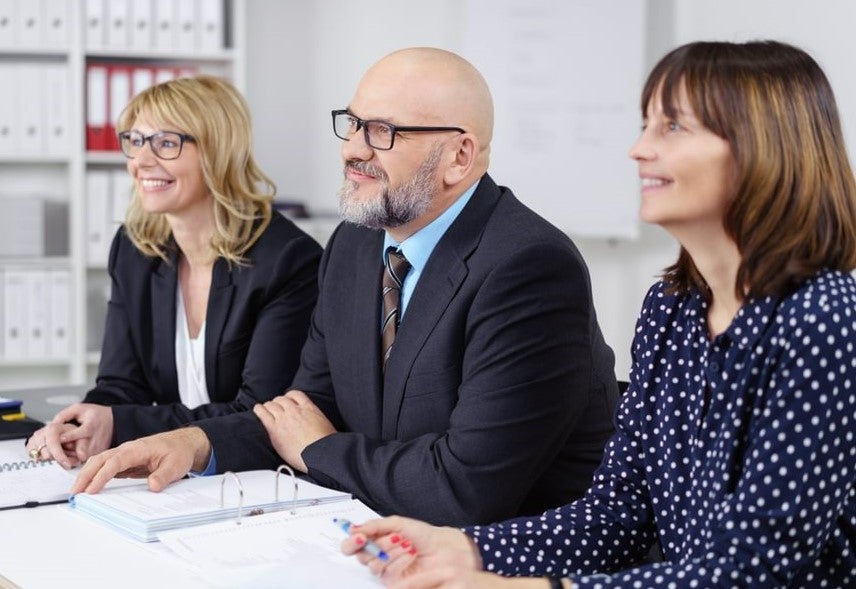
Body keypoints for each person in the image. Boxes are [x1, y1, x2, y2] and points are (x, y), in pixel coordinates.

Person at [340, 40, 856, 588]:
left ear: (764, 149)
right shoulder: (672, 310)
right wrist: (464, 548)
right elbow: (617, 514)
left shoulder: (825, 321)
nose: (637, 149)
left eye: (672, 128)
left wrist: (534, 588)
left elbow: (753, 570)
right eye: (645, 125)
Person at [71, 48, 619, 527]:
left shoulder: (528, 267)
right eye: (352, 124)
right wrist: (195, 444)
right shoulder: (355, 245)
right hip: (373, 533)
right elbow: (305, 406)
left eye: (381, 132)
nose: (352, 149)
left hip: (499, 559)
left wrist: (319, 448)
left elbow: (463, 488)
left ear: (459, 156)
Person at [26, 76, 322, 469]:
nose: (141, 161)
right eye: (135, 141)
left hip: (250, 475)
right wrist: (88, 420)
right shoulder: (134, 249)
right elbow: (121, 385)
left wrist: (120, 424)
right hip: (173, 475)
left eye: (166, 143)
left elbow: (258, 413)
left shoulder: (287, 260)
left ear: (218, 152)